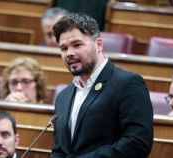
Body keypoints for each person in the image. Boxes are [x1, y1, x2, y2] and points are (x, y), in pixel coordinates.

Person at [51, 13, 153, 158]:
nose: (69, 53)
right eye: (64, 48)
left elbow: (137, 143)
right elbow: (59, 150)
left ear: (98, 44)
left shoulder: (128, 84)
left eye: (77, 45)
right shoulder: (63, 97)